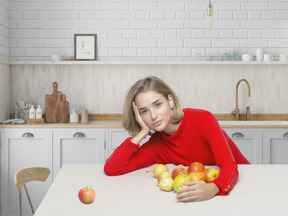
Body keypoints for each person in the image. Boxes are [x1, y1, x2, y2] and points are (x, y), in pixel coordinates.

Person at [104, 76, 250, 202]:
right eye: (144, 111)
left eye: (157, 105)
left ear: (170, 101)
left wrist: (213, 189)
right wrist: (142, 132)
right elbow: (112, 168)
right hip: (208, 193)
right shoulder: (156, 146)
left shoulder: (203, 119)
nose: (153, 115)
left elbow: (230, 166)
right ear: (138, 116)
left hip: (240, 182)